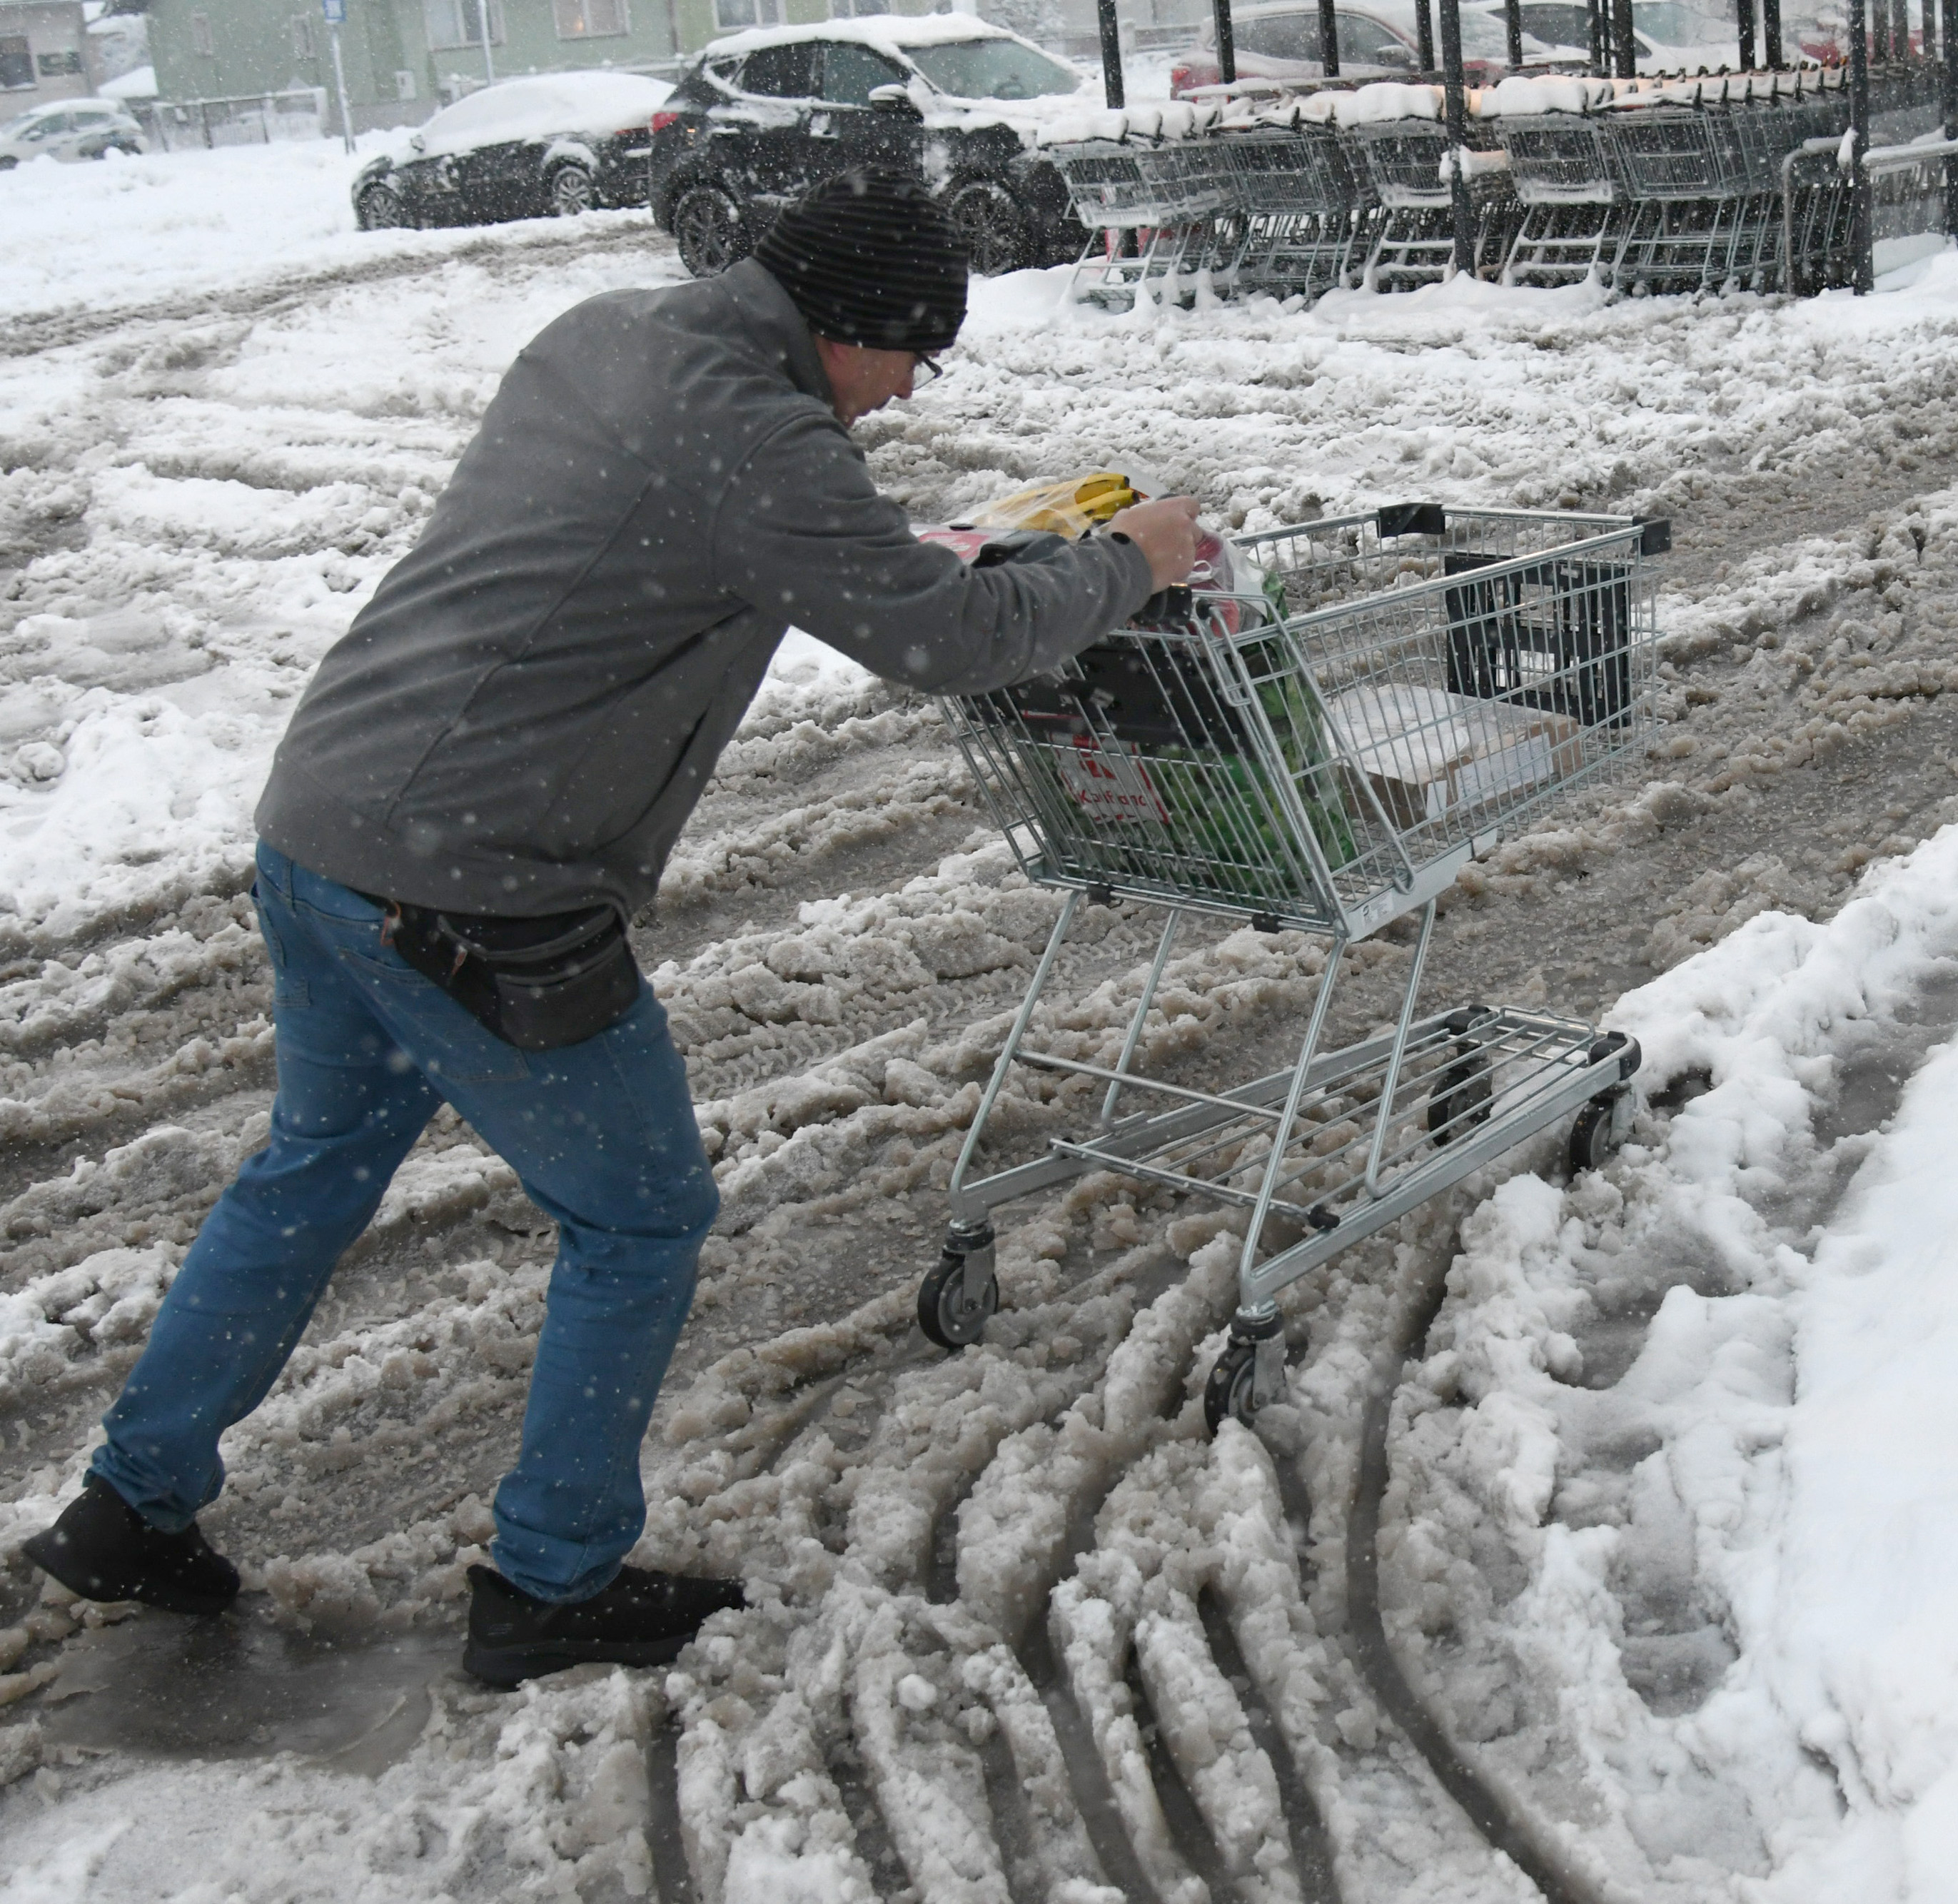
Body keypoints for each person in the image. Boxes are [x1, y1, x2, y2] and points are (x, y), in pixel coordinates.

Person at [18, 168, 1201, 1687]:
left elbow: (744, 532)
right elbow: (941, 639)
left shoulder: (621, 337)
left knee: (310, 1168)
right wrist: (1129, 565)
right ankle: (547, 1581)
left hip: (325, 821)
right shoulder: (758, 435)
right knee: (641, 1217)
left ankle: (130, 1506)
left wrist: (943, 548)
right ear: (849, 326)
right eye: (916, 354)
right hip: (473, 890)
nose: (912, 391)